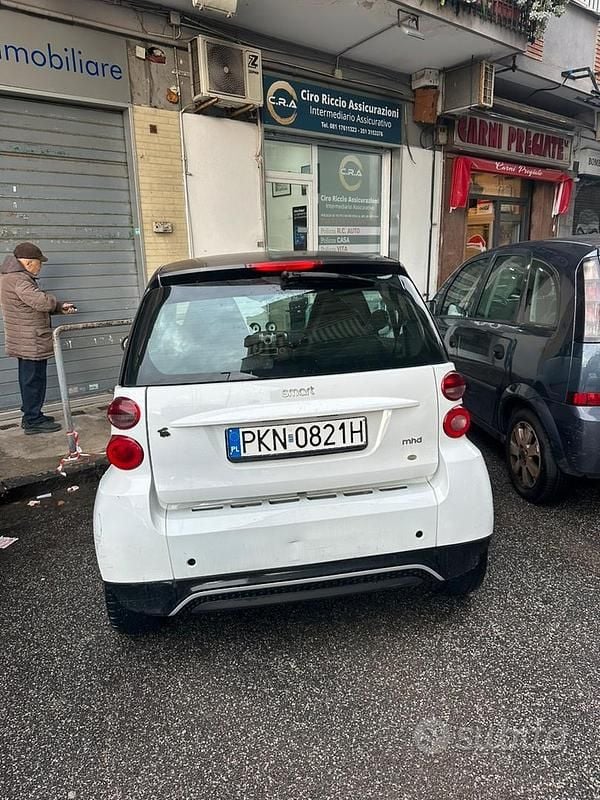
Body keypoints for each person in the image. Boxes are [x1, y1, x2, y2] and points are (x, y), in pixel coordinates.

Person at [0, 242, 76, 435]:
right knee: (33, 380)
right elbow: (40, 302)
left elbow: (29, 305)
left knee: (29, 378)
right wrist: (52, 300)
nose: (40, 266)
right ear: (27, 262)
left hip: (24, 338)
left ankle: (31, 415)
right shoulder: (19, 280)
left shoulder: (11, 277)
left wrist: (59, 307)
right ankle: (33, 420)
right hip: (29, 340)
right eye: (38, 262)